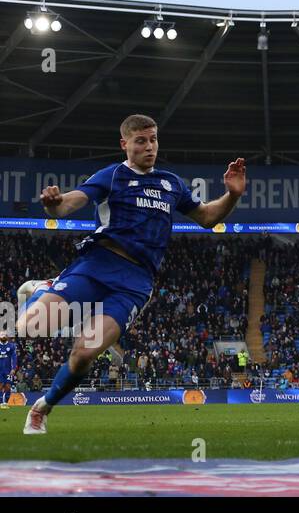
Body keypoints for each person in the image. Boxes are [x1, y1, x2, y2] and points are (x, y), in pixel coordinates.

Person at [18, 114, 245, 435]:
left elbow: (207, 218)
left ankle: (42, 407)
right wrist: (52, 204)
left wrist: (233, 195)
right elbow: (68, 205)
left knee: (84, 353)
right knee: (30, 327)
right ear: (125, 144)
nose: (149, 146)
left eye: (153, 139)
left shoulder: (171, 184)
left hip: (135, 283)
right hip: (95, 266)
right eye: (141, 141)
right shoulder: (112, 176)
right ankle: (44, 287)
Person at [0, 331, 15, 413]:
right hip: (0, 370)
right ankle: (0, 403)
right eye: (1, 335)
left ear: (6, 337)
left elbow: (14, 357)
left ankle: (5, 402)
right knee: (1, 385)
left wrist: (13, 368)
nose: (3, 337)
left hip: (8, 370)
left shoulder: (11, 346)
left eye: (4, 335)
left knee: (8, 386)